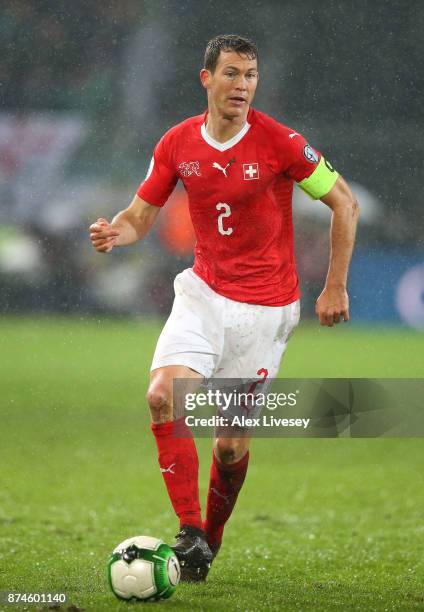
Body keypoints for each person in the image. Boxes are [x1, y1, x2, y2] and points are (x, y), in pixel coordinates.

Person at [89, 34, 359, 582]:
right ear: (206, 78)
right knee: (163, 395)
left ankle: (207, 541)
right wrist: (118, 230)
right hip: (204, 296)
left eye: (251, 75)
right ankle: (189, 529)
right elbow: (142, 214)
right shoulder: (177, 143)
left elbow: (344, 203)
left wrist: (335, 287)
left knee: (231, 446)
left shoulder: (281, 143)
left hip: (266, 311)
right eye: (232, 74)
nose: (243, 85)